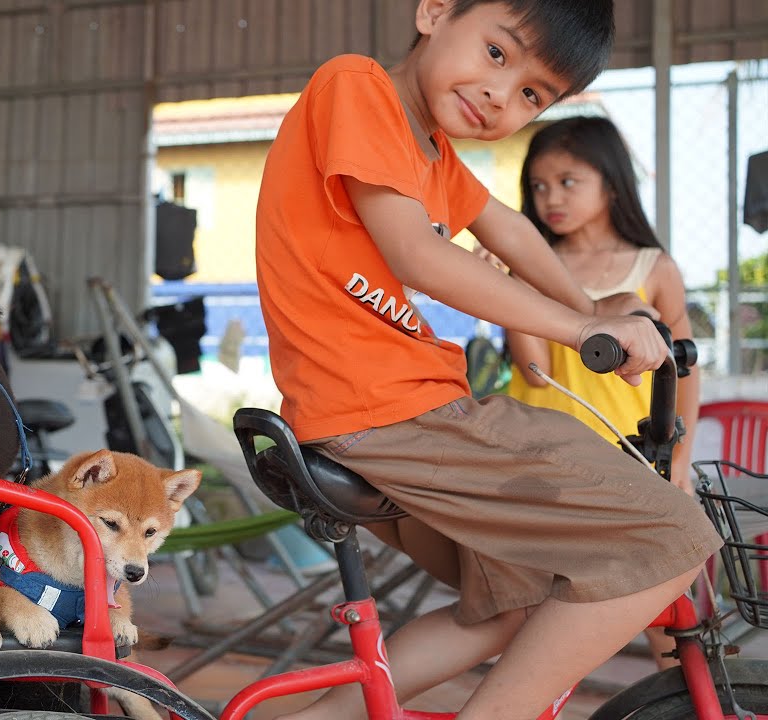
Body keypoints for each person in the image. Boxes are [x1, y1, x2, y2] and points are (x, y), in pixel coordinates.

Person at [254, 1, 723, 719]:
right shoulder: (357, 86)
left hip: (386, 411)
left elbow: (504, 228)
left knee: (511, 597)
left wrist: (596, 310)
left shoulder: (434, 155)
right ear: (434, 11)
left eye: (533, 94)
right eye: (498, 54)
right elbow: (418, 254)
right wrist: (577, 326)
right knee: (679, 535)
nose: (501, 94)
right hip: (393, 409)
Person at [505, 116, 702, 671]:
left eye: (569, 181)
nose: (551, 199)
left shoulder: (653, 268)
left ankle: (686, 696)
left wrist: (680, 460)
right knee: (542, 601)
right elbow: (534, 368)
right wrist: (514, 284)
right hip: (545, 455)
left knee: (661, 594)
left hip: (633, 453)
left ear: (611, 184)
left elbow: (686, 368)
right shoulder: (531, 262)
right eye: (539, 186)